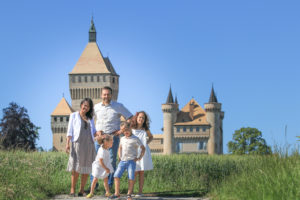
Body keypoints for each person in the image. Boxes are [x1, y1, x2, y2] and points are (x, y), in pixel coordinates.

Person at [92, 86, 133, 189]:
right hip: (99, 137)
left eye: (108, 94)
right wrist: (96, 131)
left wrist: (121, 130)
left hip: (112, 137)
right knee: (96, 160)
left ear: (111, 95)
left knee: (111, 161)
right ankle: (94, 186)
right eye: (104, 94)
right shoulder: (96, 107)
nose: (106, 96)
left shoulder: (118, 106)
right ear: (101, 95)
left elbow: (130, 117)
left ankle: (109, 185)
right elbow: (90, 121)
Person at [66, 98, 97, 197]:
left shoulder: (90, 118)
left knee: (87, 168)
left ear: (89, 108)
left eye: (88, 106)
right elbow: (70, 131)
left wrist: (100, 134)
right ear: (81, 105)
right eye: (84, 105)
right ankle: (72, 190)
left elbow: (94, 132)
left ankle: (81, 190)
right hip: (77, 144)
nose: (85, 107)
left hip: (89, 145)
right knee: (76, 167)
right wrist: (67, 143)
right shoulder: (74, 115)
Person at [110, 122, 145, 200]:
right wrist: (119, 156)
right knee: (116, 176)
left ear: (130, 129)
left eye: (127, 130)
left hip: (131, 161)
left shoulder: (135, 138)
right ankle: (117, 193)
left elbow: (143, 148)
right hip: (122, 161)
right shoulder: (122, 138)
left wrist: (139, 157)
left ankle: (129, 194)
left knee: (131, 177)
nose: (125, 132)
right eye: (124, 131)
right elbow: (120, 148)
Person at [131, 111, 153, 197]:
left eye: (143, 118)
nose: (141, 119)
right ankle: (131, 191)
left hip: (143, 151)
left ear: (145, 120)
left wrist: (146, 142)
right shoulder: (132, 128)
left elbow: (151, 137)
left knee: (141, 172)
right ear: (136, 118)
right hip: (134, 151)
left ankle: (140, 192)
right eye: (140, 117)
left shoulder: (145, 129)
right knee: (134, 171)